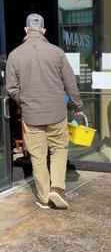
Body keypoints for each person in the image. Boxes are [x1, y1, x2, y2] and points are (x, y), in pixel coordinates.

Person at [6, 14, 84, 209]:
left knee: (38, 156)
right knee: (59, 149)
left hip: (32, 115)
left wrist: (24, 102)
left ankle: (43, 197)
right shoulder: (57, 52)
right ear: (44, 30)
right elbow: (70, 83)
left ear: (26, 30)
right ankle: (57, 188)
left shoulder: (15, 55)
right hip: (56, 113)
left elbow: (12, 89)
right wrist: (78, 106)